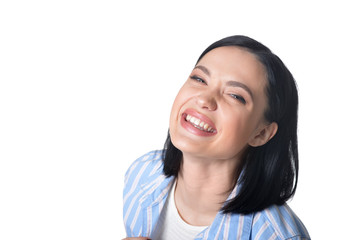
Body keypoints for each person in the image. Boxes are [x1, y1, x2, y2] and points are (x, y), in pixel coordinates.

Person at [123, 35, 310, 240]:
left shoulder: (276, 234)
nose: (204, 98)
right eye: (199, 79)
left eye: (235, 95)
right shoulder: (141, 173)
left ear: (261, 133)